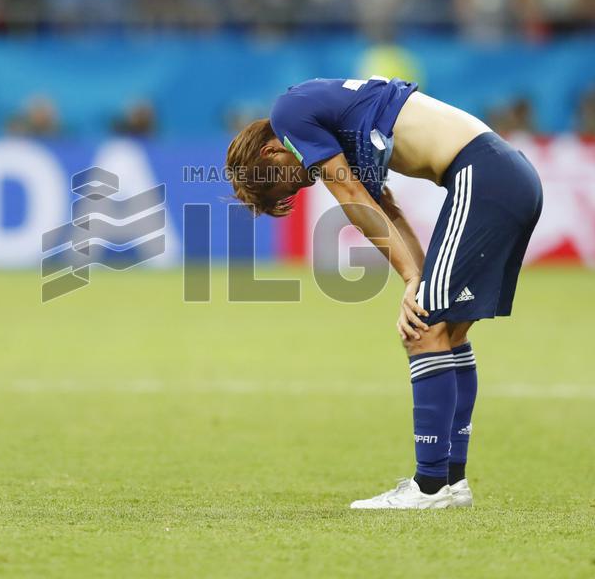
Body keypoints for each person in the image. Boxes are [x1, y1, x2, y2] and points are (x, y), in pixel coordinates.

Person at [226, 76, 543, 509]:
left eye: (291, 181)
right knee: (446, 332)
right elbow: (385, 208)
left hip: (483, 176)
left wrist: (414, 282)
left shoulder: (288, 114)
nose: (306, 183)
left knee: (422, 329)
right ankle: (451, 483)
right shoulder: (335, 122)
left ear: (271, 151)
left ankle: (429, 486)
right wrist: (418, 280)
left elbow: (352, 198)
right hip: (507, 174)